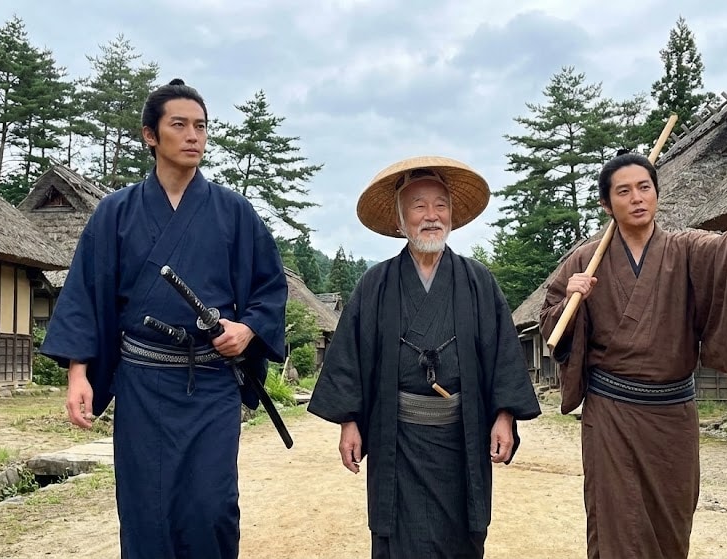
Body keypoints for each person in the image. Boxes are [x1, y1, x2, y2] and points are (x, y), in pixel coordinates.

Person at [41, 79, 287, 559]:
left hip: (212, 382)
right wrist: (78, 374)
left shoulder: (235, 212)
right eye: (180, 125)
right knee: (146, 509)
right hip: (143, 383)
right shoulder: (115, 212)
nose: (193, 135)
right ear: (150, 136)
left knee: (212, 508)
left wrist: (247, 329)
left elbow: (270, 288)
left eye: (201, 126)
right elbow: (86, 294)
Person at [540, 152, 727, 558]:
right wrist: (571, 301)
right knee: (615, 522)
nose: (636, 198)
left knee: (672, 521)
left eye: (644, 187)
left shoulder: (686, 248)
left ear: (657, 194)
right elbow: (551, 325)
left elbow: (722, 251)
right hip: (611, 414)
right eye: (623, 191)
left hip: (672, 415)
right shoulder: (584, 260)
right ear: (606, 204)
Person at [308, 155, 541, 558]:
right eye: (419, 206)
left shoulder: (477, 281)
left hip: (461, 437)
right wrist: (348, 422)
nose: (432, 216)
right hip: (397, 437)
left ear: (451, 216)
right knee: (399, 539)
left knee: (461, 537)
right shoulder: (376, 283)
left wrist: (505, 415)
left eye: (440, 205)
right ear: (400, 221)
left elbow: (503, 352)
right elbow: (349, 357)